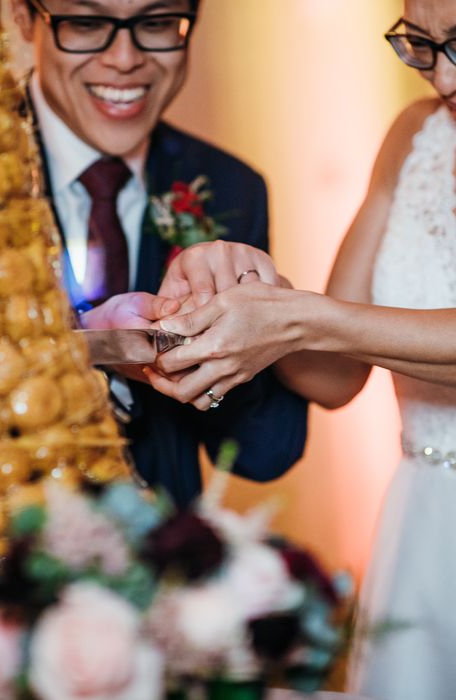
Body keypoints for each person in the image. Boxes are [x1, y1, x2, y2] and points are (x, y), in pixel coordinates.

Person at [150, 1, 456, 696]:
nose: (440, 79)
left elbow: (326, 327)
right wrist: (248, 292)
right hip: (427, 529)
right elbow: (331, 375)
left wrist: (299, 319)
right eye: (421, 45)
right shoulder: (415, 135)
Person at [8, 0, 308, 506]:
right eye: (85, 23)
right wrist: (88, 348)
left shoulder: (229, 185)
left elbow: (264, 454)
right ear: (22, 16)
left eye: (156, 23)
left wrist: (255, 325)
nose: (125, 58)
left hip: (166, 559)